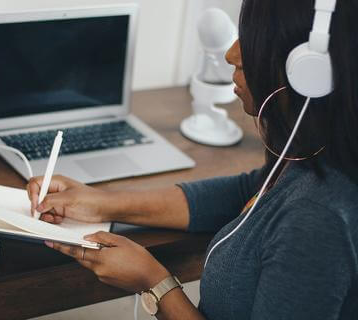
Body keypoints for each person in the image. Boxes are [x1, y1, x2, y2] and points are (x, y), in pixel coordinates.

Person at [27, 0, 358, 319]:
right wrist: (102, 203)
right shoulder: (311, 149)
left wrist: (154, 282)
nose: (231, 54)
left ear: (310, 68)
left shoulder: (319, 219)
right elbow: (250, 190)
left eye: (255, 36)